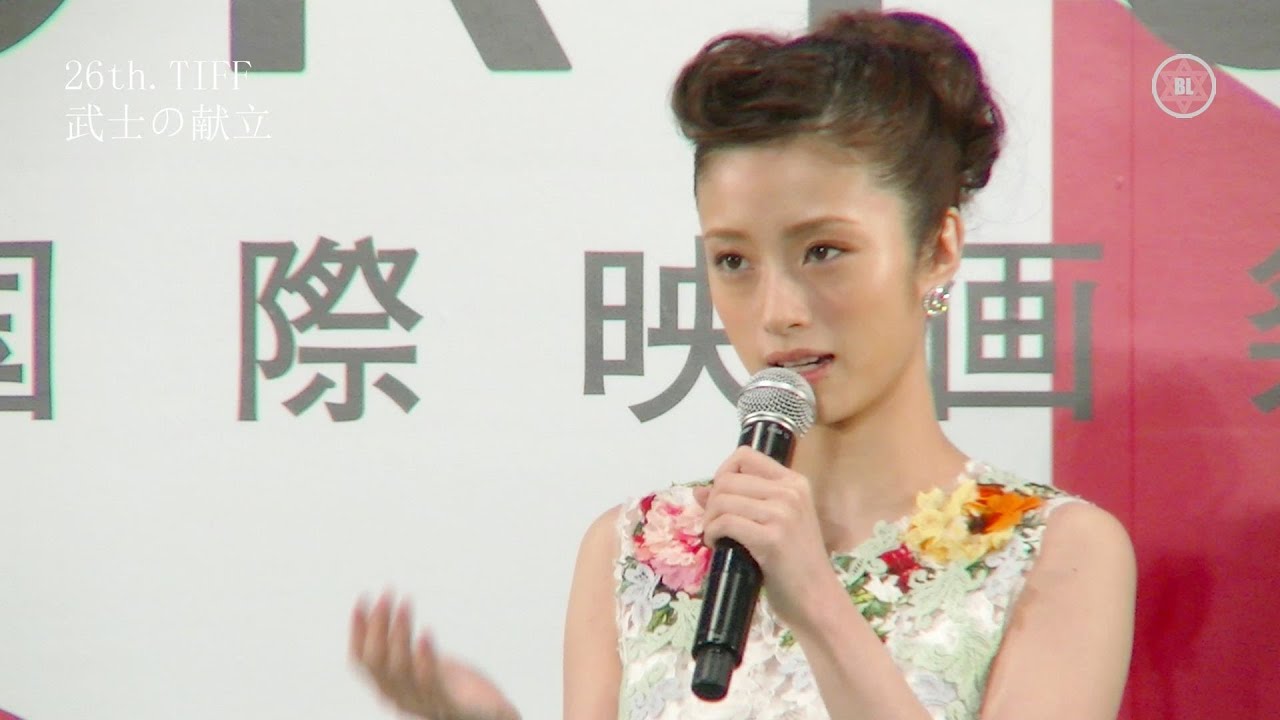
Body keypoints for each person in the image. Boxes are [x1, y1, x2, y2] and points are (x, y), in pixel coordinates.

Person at [348, 9, 1136, 720]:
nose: (777, 310)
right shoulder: (635, 549)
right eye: (733, 260)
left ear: (937, 248)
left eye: (823, 251)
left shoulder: (1055, 550)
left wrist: (817, 601)